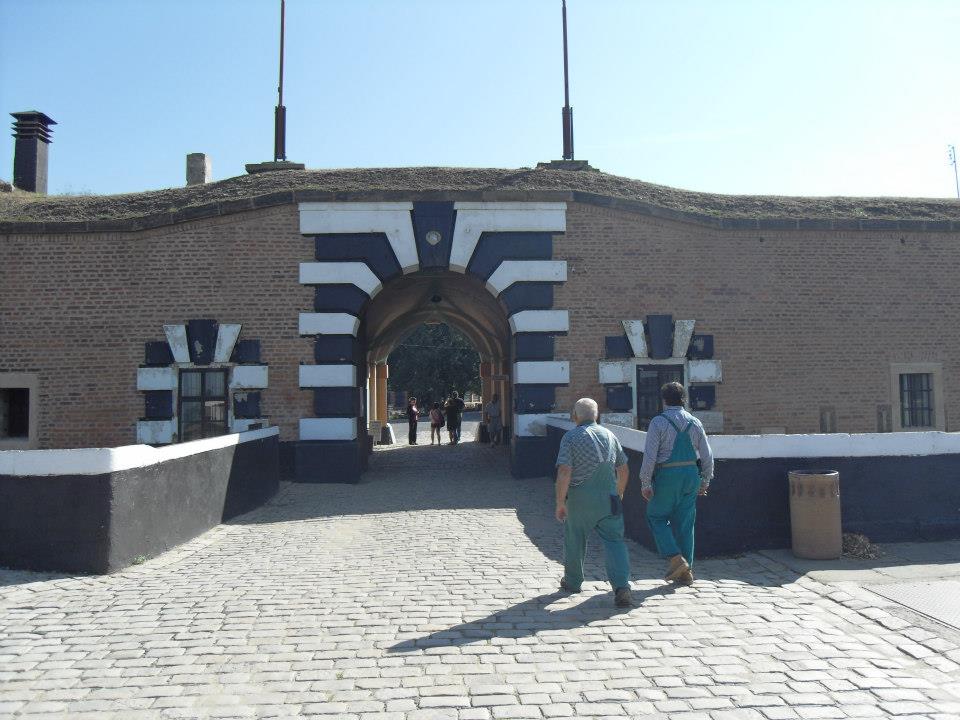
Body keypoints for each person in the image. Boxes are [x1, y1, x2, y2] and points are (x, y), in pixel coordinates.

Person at [555, 398, 633, 607]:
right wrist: (619, 493)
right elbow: (624, 469)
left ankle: (573, 581)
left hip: (579, 499)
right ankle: (622, 586)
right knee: (615, 541)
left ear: (575, 416)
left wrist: (560, 502)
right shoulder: (610, 436)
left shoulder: (570, 437)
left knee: (575, 539)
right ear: (597, 415)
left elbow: (564, 471)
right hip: (609, 498)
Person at [639, 382, 714, 586]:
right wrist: (705, 480)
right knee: (685, 523)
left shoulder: (658, 422)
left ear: (664, 400)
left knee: (656, 516)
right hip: (691, 475)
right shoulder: (695, 422)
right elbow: (707, 455)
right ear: (684, 399)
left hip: (668, 475)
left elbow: (650, 456)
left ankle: (675, 558)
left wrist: (645, 482)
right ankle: (686, 572)